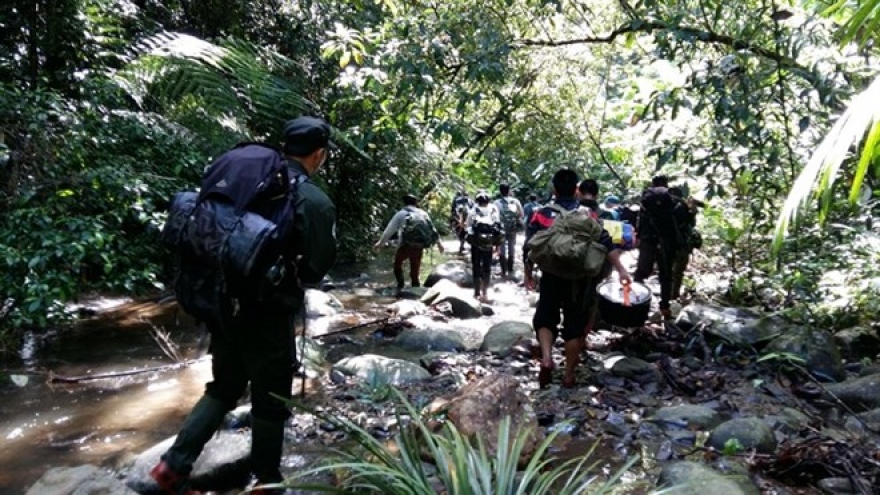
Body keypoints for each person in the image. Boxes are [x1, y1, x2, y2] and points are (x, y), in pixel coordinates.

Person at [150, 116, 338, 495]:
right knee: (270, 400)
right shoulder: (312, 200)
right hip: (267, 313)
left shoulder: (245, 180)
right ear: (318, 154)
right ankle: (267, 482)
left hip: (218, 301)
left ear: (284, 146)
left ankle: (173, 467)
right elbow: (316, 269)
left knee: (224, 386)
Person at [525, 169, 631, 388]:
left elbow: (529, 247)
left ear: (554, 189)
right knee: (574, 325)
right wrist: (621, 270)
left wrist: (528, 275)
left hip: (551, 275)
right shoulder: (588, 214)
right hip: (579, 280)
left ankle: (546, 358)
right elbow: (606, 243)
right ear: (576, 190)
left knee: (545, 318)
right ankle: (569, 374)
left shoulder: (541, 214)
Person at [633, 175, 692, 319]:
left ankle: (634, 302)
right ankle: (665, 307)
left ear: (653, 184)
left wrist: (639, 239)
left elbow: (641, 221)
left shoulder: (646, 199)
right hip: (667, 242)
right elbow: (686, 224)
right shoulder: (675, 201)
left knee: (641, 271)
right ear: (667, 184)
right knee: (666, 275)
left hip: (649, 241)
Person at [373, 194, 445, 291]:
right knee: (415, 269)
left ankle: (400, 286)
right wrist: (440, 244)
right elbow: (433, 229)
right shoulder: (423, 213)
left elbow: (389, 230)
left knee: (397, 264)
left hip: (405, 245)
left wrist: (380, 243)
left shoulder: (401, 214)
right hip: (419, 245)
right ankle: (416, 288)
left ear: (404, 203)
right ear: (416, 203)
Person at [467, 191, 501, 302]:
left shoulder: (473, 211)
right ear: (488, 201)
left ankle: (476, 292)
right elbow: (498, 228)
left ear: (478, 201)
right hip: (489, 243)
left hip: (476, 244)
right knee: (487, 267)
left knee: (476, 266)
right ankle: (485, 292)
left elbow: (468, 227)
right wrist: (497, 246)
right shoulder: (494, 210)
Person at [668, 186, 701, 300]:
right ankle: (674, 295)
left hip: (668, 244)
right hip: (683, 244)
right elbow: (691, 225)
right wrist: (693, 211)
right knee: (678, 273)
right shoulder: (685, 207)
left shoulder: (667, 205)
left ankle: (668, 296)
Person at [494, 183, 525, 277]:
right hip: (513, 228)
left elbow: (494, 217)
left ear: (500, 191)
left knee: (502, 248)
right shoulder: (516, 201)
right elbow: (521, 215)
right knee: (512, 247)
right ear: (509, 190)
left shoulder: (496, 203)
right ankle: (510, 268)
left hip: (501, 229)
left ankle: (504, 270)